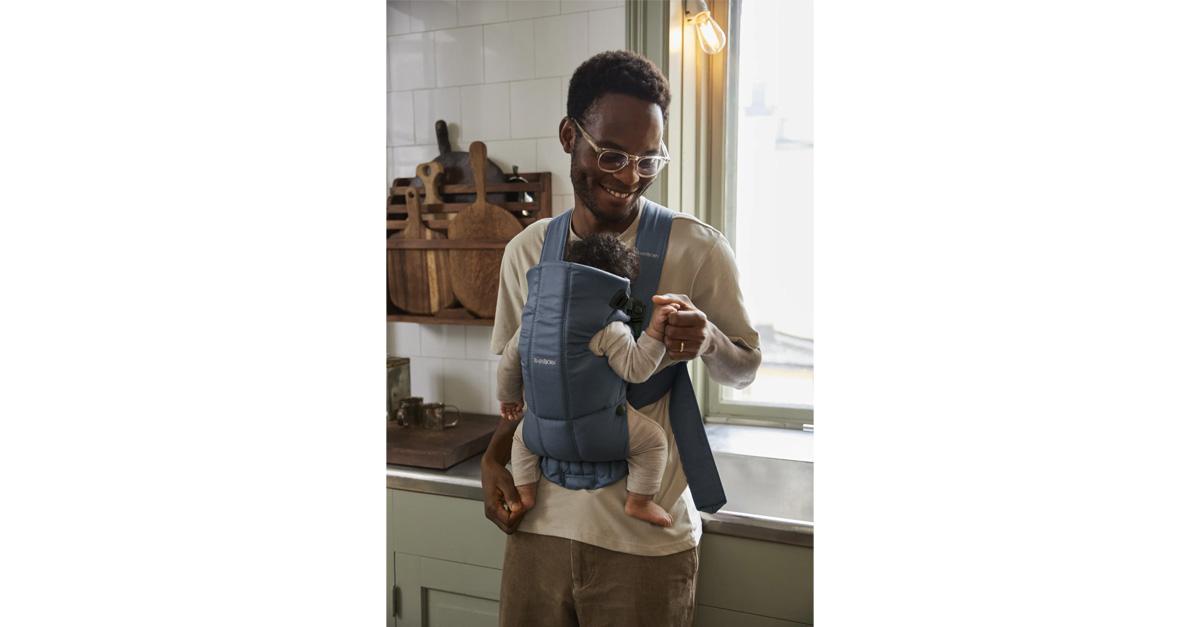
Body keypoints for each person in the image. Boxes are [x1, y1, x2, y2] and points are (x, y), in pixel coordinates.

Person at [484, 50, 762, 626]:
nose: (627, 177)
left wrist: (709, 340)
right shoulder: (526, 252)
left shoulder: (698, 248)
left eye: (647, 161)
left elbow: (745, 369)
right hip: (536, 532)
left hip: (646, 547)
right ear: (569, 135)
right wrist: (493, 460)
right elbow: (517, 385)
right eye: (610, 155)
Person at [497, 233, 681, 527]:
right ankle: (639, 502)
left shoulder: (531, 324)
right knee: (654, 443)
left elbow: (508, 363)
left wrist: (508, 398)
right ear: (614, 287)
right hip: (600, 433)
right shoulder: (609, 327)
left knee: (520, 441)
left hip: (540, 434)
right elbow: (637, 369)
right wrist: (656, 332)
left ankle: (526, 494)